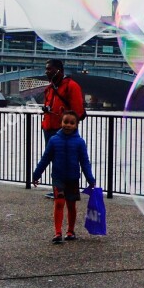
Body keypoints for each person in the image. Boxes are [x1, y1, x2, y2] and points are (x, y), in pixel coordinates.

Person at [32, 110, 96, 243]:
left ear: (76, 125)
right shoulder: (54, 140)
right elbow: (45, 159)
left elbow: (85, 162)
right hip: (58, 177)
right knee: (59, 202)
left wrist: (90, 179)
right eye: (65, 122)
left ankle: (70, 231)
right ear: (61, 123)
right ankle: (57, 232)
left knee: (71, 205)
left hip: (72, 178)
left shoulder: (79, 142)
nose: (68, 125)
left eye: (71, 123)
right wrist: (36, 174)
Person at [41, 59, 86, 199]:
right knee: (54, 161)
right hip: (49, 129)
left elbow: (78, 111)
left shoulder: (71, 86)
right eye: (46, 69)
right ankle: (57, 190)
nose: (47, 72)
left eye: (50, 69)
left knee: (66, 161)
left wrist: (67, 126)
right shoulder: (50, 88)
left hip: (62, 131)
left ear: (59, 70)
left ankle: (67, 191)